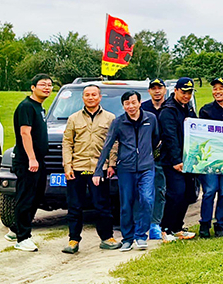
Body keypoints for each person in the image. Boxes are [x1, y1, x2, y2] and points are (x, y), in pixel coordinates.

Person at [94, 91, 159, 251]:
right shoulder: (118, 122)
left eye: (133, 102)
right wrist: (98, 170)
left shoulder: (150, 119)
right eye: (127, 104)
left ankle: (141, 235)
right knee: (126, 204)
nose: (131, 106)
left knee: (147, 200)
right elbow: (107, 145)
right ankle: (128, 238)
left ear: (140, 103)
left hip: (146, 167)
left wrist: (148, 155)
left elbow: (156, 139)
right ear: (123, 106)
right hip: (126, 169)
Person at [61, 85, 120, 253]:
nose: (90, 97)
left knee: (102, 205)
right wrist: (68, 166)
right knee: (75, 206)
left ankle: (107, 237)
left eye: (94, 94)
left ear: (100, 97)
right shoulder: (73, 118)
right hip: (77, 169)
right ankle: (73, 240)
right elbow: (67, 143)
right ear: (83, 98)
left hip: (99, 170)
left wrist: (111, 164)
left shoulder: (110, 118)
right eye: (87, 95)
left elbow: (114, 143)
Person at [6, 74, 53, 252]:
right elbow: (25, 133)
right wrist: (31, 158)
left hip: (38, 159)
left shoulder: (39, 107)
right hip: (27, 160)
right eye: (43, 84)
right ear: (33, 87)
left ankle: (16, 229)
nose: (47, 88)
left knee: (37, 195)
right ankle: (22, 238)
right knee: (26, 197)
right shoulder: (26, 106)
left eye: (49, 85)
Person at [197, 77, 223, 238]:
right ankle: (205, 224)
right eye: (215, 88)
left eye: (221, 88)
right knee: (209, 190)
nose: (218, 91)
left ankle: (220, 224)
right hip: (210, 157)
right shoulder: (206, 110)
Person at [158, 78, 197, 242]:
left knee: (188, 194)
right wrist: (175, 160)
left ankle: (177, 228)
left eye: (189, 92)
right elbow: (170, 137)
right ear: (175, 91)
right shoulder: (168, 110)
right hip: (172, 161)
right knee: (176, 194)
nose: (186, 95)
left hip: (188, 159)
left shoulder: (188, 108)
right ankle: (166, 229)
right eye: (183, 92)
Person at [140, 78, 168, 241]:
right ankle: (142, 224)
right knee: (144, 193)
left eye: (160, 88)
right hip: (145, 156)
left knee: (160, 191)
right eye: (154, 88)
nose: (157, 91)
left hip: (165, 156)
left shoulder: (170, 107)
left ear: (165, 90)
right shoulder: (143, 108)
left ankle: (156, 224)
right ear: (149, 91)